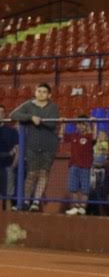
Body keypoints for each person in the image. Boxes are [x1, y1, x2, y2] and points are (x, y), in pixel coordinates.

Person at [10, 83, 59, 212]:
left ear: (49, 95)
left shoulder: (53, 107)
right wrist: (30, 117)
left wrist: (40, 120)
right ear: (35, 92)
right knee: (31, 173)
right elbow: (13, 115)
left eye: (44, 92)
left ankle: (36, 202)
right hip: (32, 144)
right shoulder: (28, 105)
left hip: (49, 145)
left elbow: (52, 123)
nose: (41, 94)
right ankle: (26, 201)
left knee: (43, 173)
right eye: (39, 91)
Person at [63, 115, 103, 216]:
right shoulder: (74, 136)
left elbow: (94, 137)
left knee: (85, 189)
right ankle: (75, 207)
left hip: (85, 166)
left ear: (86, 125)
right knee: (73, 188)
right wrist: (63, 124)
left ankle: (82, 208)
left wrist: (94, 124)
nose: (81, 126)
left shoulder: (89, 136)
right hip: (74, 165)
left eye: (83, 124)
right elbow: (62, 137)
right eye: (79, 123)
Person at [0, 105, 18, 210]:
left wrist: (13, 166)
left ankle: (8, 218)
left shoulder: (11, 131)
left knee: (7, 196)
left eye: (1, 112)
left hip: (7, 167)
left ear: (4, 115)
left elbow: (17, 149)